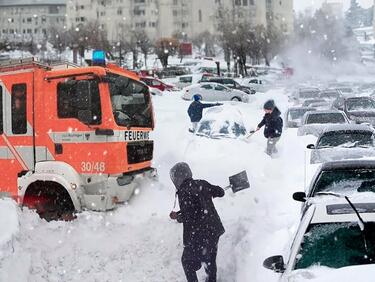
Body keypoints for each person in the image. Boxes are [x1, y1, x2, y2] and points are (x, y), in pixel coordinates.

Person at [169, 162, 225, 282]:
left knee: (187, 261)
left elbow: (189, 215)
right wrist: (212, 193)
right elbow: (220, 192)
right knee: (210, 259)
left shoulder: (183, 192)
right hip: (214, 229)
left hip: (199, 233)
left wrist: (178, 217)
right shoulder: (201, 183)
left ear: (177, 178)